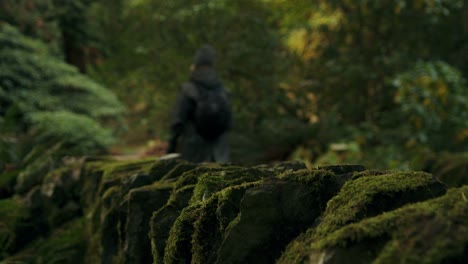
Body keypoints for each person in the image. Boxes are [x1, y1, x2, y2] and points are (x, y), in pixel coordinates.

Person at [166, 45, 231, 163]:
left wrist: (170, 148)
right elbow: (229, 122)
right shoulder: (222, 90)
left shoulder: (188, 89)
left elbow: (177, 121)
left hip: (194, 151)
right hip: (219, 153)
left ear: (195, 65)